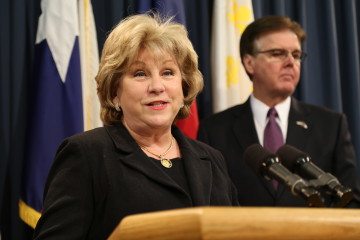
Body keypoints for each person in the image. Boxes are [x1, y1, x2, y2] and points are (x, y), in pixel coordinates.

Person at [33, 14, 238, 239]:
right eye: (140, 74)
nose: (157, 86)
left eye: (168, 72)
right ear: (114, 93)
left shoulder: (211, 158)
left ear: (184, 85)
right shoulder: (87, 154)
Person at [198, 15, 360, 207]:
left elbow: (350, 202)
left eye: (296, 55)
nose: (291, 62)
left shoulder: (331, 125)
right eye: (277, 53)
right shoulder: (215, 130)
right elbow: (210, 201)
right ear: (249, 63)